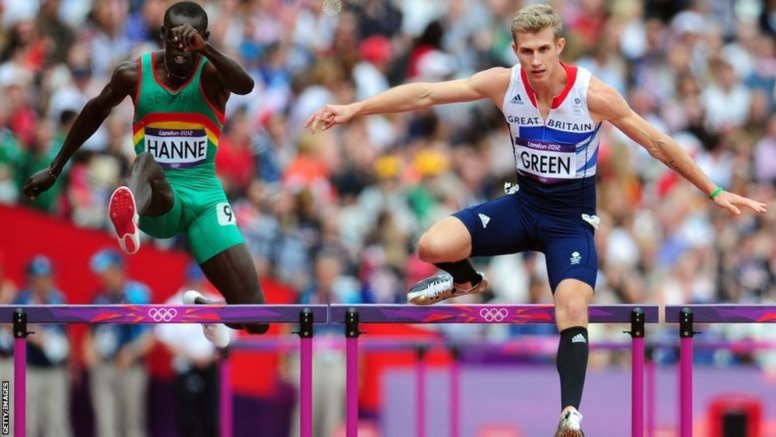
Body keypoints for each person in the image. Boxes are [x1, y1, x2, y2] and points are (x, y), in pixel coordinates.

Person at [306, 4, 768, 436]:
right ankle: (465, 280)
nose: (535, 60)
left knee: (571, 305)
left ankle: (570, 413)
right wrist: (355, 109)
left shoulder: (594, 95)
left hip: (570, 220)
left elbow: (658, 144)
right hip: (523, 205)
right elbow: (426, 93)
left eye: (543, 49)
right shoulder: (503, 83)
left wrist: (713, 190)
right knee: (431, 246)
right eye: (526, 51)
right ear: (515, 51)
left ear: (560, 46)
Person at [21, 1, 269, 338]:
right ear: (163, 35)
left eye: (190, 46)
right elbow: (95, 111)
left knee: (258, 319)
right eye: (174, 44)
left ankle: (208, 311)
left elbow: (247, 85)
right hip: (156, 197)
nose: (181, 55)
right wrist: (54, 168)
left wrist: (206, 50)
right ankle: (128, 216)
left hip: (205, 198)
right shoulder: (134, 74)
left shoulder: (213, 75)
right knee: (146, 160)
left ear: (203, 39)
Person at [82, 248, 154, 437]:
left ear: (118, 270)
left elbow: (150, 335)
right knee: (105, 423)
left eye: (105, 272)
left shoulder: (137, 294)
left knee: (132, 422)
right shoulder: (99, 298)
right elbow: (91, 331)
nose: (102, 277)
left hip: (129, 367)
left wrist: (132, 352)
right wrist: (88, 349)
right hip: (103, 366)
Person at [156, 262, 228, 437]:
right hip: (184, 368)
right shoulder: (172, 304)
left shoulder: (216, 301)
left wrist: (210, 357)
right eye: (192, 280)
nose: (196, 284)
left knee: (212, 421)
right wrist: (192, 357)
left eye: (198, 280)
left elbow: (228, 340)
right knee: (186, 421)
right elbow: (165, 340)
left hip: (210, 368)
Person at [12, 255, 73, 437]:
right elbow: (10, 325)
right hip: (29, 368)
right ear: (29, 279)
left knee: (57, 420)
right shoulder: (21, 299)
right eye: (36, 277)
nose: (41, 282)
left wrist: (70, 364)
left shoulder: (59, 299)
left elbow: (66, 332)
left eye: (45, 277)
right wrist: (34, 335)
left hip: (55, 369)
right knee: (27, 420)